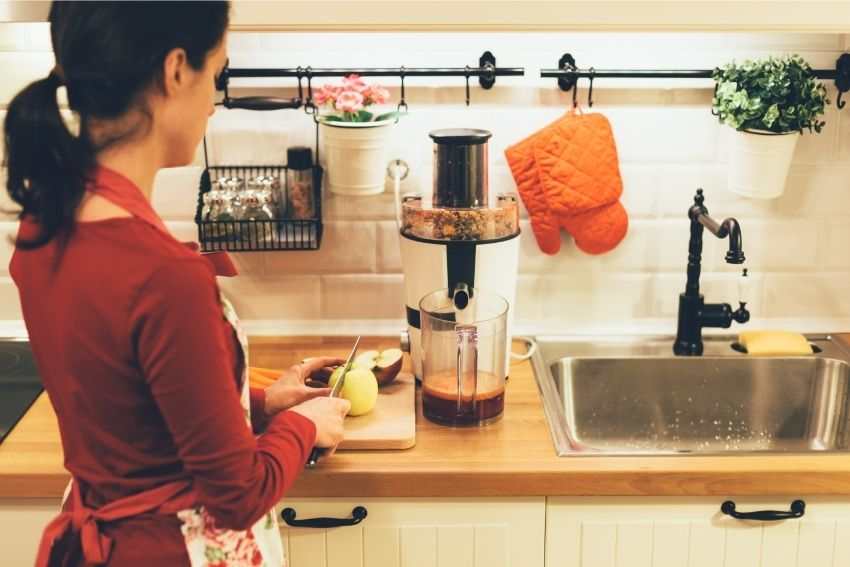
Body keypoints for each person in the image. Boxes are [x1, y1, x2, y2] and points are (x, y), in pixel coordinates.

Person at [3, 2, 350, 565]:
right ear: (175, 70)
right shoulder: (167, 276)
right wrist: (301, 427)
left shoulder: (46, 223)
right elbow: (239, 495)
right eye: (216, 75)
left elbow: (129, 409)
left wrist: (257, 404)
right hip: (166, 550)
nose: (213, 102)